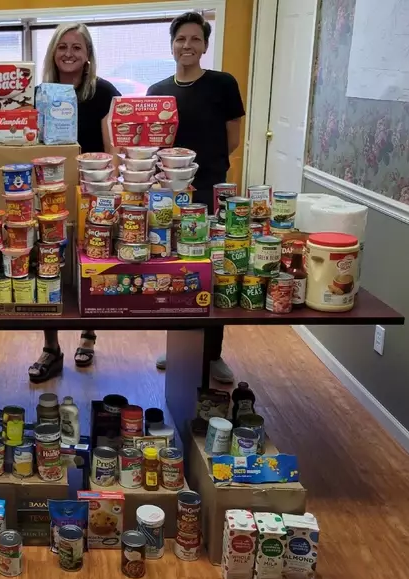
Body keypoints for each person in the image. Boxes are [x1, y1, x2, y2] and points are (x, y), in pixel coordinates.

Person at [148, 12, 244, 384]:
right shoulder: (157, 91)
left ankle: (213, 352)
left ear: (205, 45)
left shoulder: (222, 84)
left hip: (208, 189)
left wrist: (209, 169)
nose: (187, 46)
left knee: (210, 267)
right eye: (180, 39)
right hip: (168, 193)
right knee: (175, 267)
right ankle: (179, 345)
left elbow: (231, 138)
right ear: (171, 45)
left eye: (195, 39)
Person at [27, 23, 119, 384]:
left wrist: (110, 189)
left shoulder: (105, 92)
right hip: (47, 191)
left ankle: (89, 334)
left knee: (90, 260)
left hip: (91, 193)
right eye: (62, 46)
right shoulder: (38, 93)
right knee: (47, 262)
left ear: (88, 55)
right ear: (53, 51)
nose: (68, 53)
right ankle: (50, 347)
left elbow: (114, 146)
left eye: (76, 47)